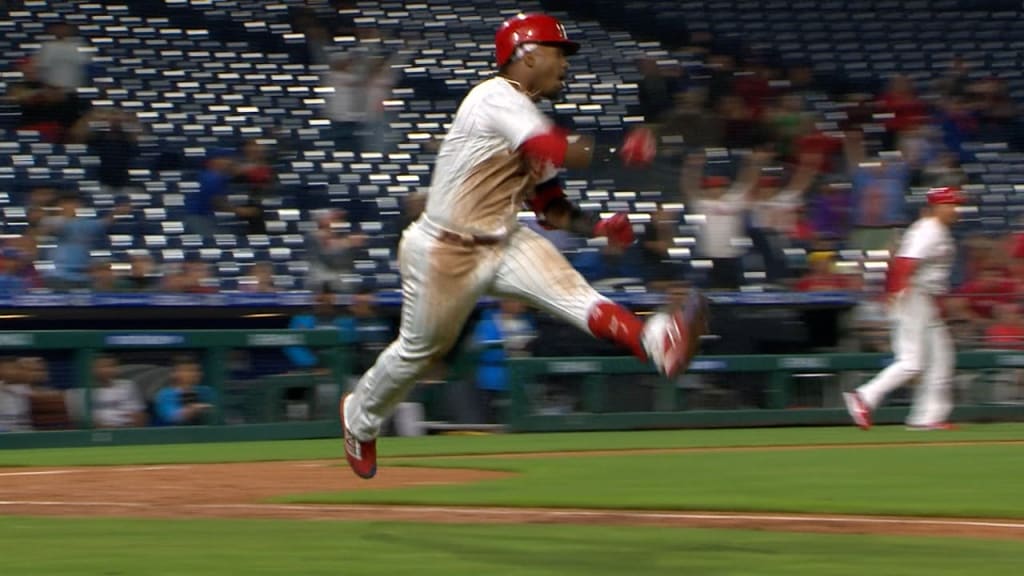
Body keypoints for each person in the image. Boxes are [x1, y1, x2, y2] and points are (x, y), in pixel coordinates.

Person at [340, 13, 706, 479]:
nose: (565, 64)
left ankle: (656, 342)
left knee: (576, 295)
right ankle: (359, 416)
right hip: (444, 249)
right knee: (419, 351)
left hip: (504, 239)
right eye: (558, 52)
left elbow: (551, 207)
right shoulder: (493, 97)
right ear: (527, 53)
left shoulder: (529, 116)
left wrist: (596, 227)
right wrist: (616, 150)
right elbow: (551, 147)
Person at [843, 187, 964, 432]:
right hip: (912, 297)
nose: (955, 209)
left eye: (955, 204)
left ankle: (927, 417)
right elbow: (903, 263)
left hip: (925, 300)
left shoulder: (936, 230)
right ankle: (864, 397)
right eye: (950, 204)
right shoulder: (928, 230)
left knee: (942, 356)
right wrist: (895, 294)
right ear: (937, 207)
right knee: (911, 361)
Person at [154, 355, 215, 426]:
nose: (193, 374)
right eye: (188, 370)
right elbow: (172, 416)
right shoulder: (165, 394)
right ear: (174, 374)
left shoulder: (206, 391)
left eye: (196, 370)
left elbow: (217, 413)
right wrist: (194, 409)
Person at [90, 354, 147, 428]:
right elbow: (88, 422)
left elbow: (139, 415)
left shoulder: (128, 385)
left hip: (126, 431)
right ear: (93, 369)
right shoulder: (85, 391)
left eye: (111, 366)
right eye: (103, 367)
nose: (107, 370)